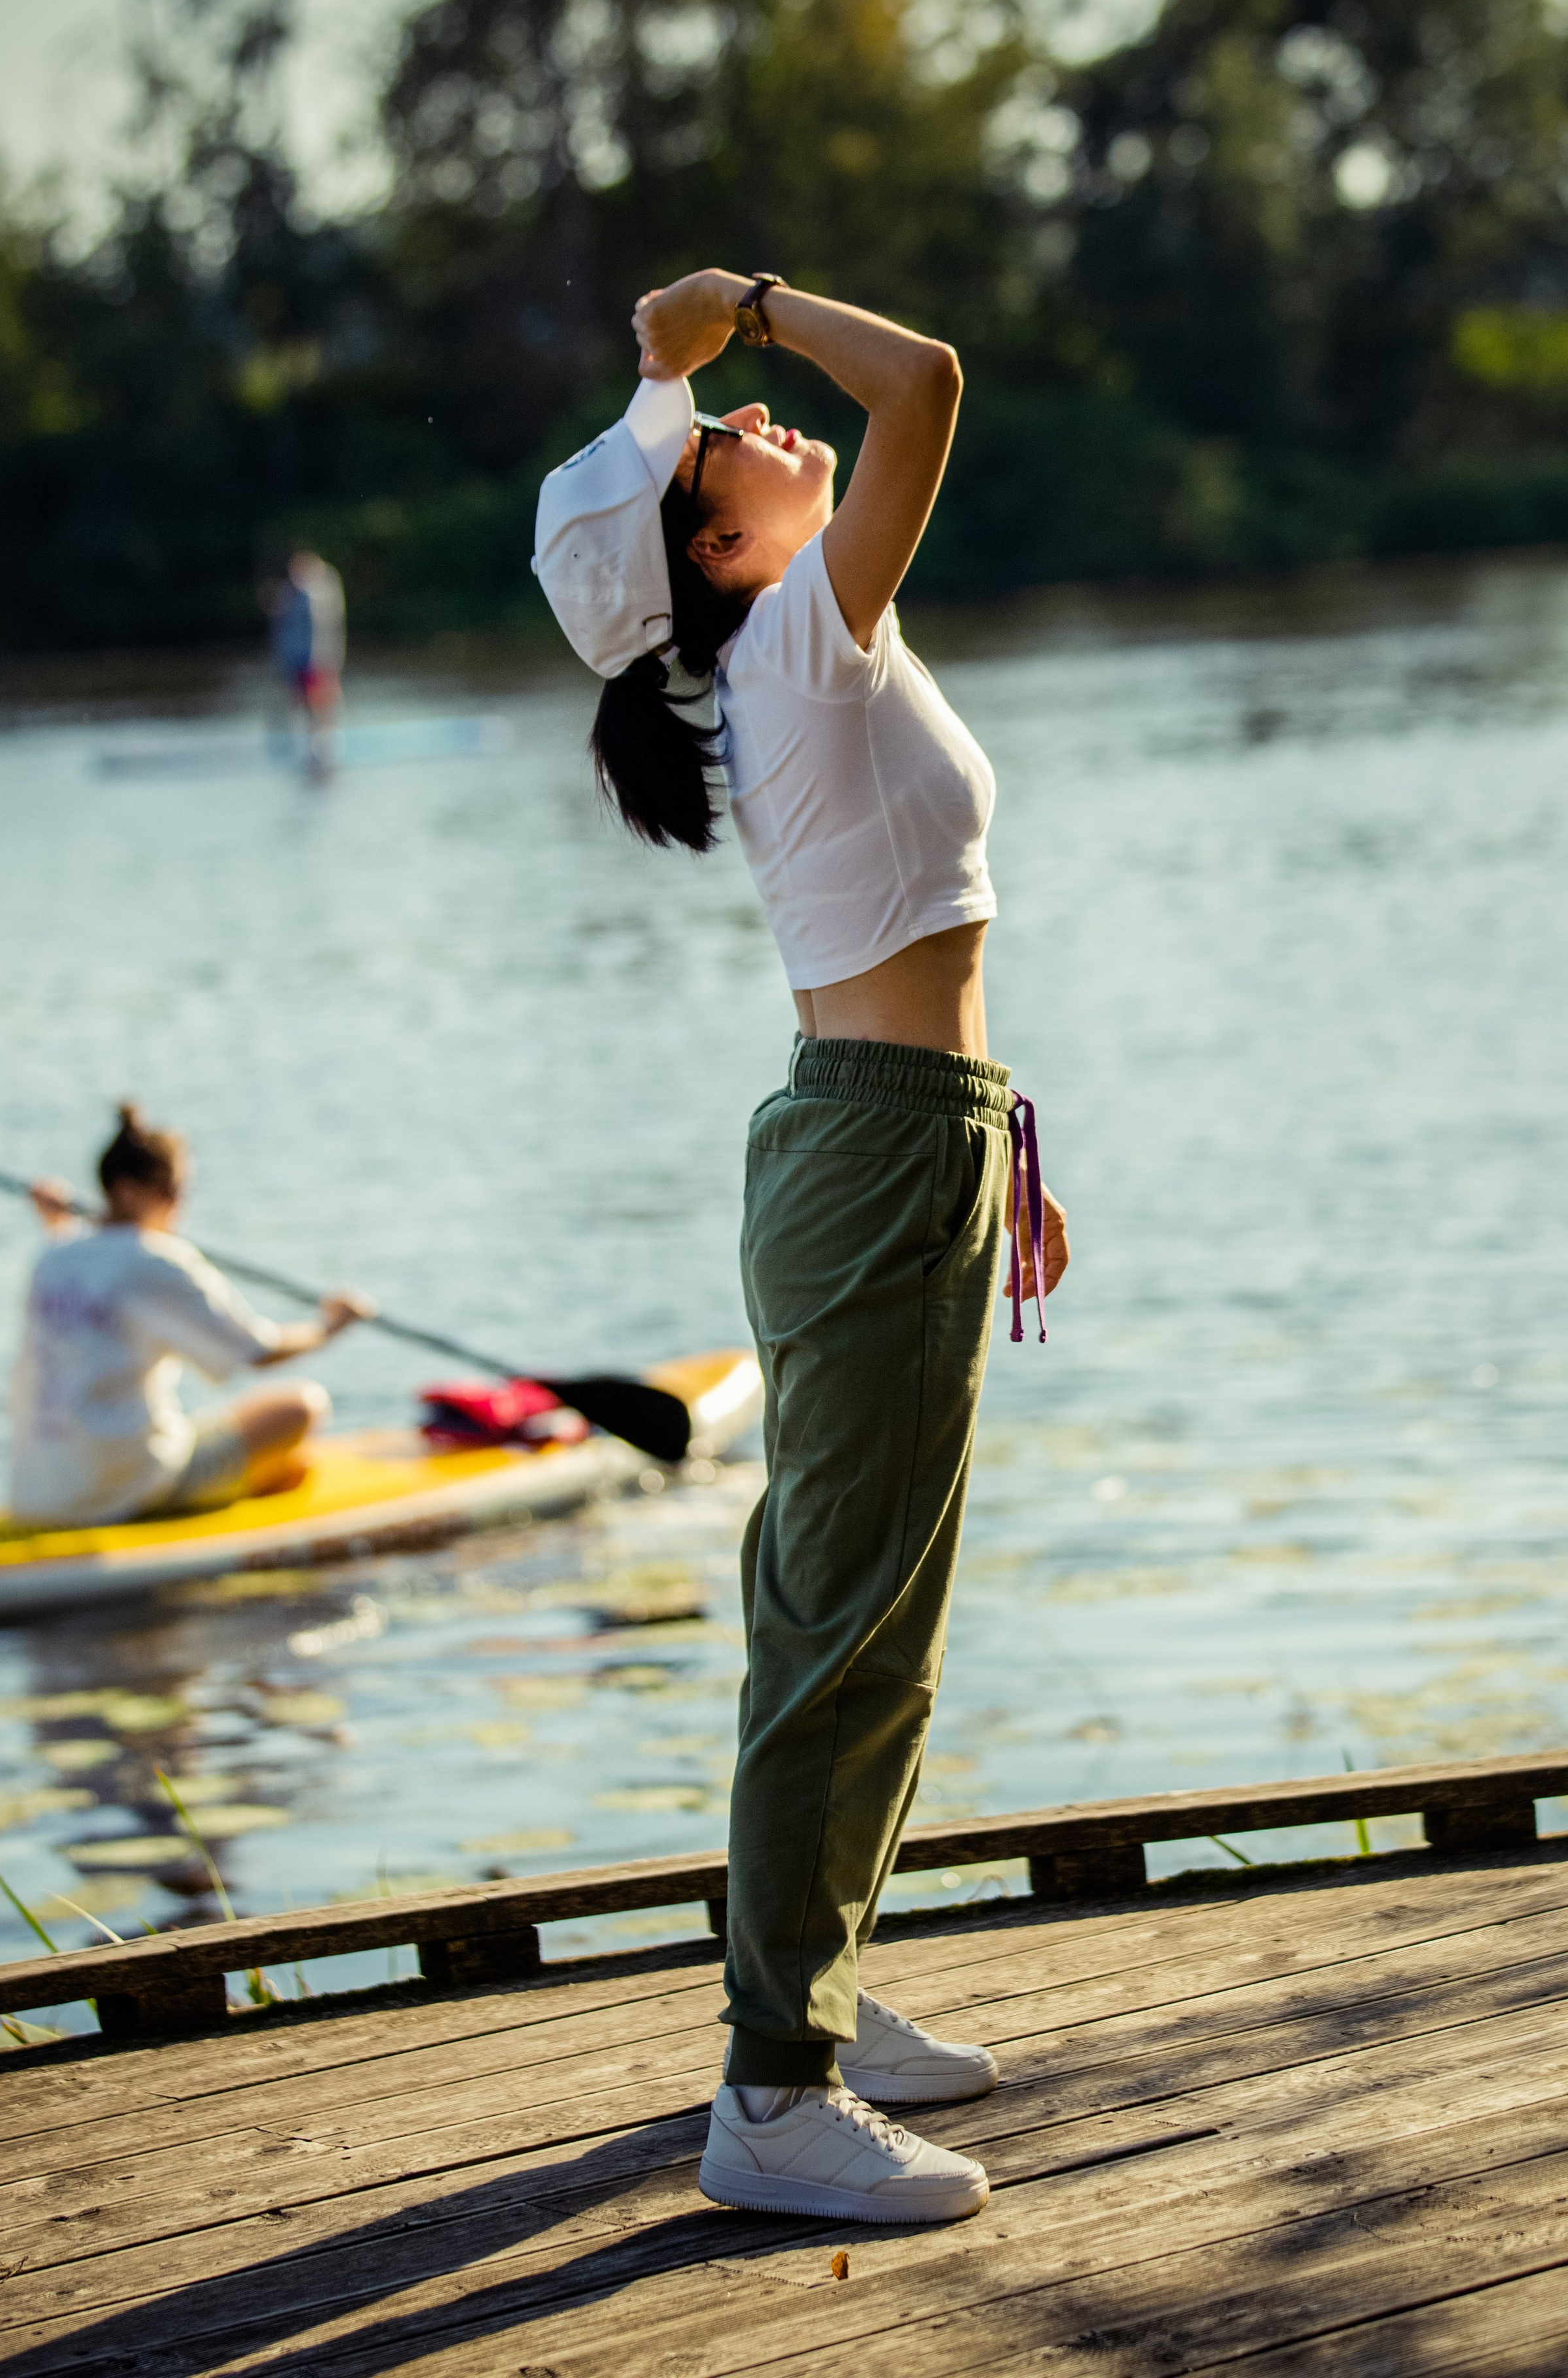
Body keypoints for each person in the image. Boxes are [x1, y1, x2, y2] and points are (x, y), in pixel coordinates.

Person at [533, 270, 1071, 2225]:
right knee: (839, 1616)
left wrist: (682, 384)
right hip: (866, 1155)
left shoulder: (814, 632)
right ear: (717, 544)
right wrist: (734, 317)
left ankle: (815, 1985)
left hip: (904, 1138)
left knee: (874, 1617)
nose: (766, 425)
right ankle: (772, 2090)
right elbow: (927, 372)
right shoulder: (791, 637)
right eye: (724, 451)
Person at [9, 1104, 372, 1529]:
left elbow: (90, 1264)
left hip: (34, 1494)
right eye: (173, 1191)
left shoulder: (53, 1256)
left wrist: (56, 1223)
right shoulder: (158, 1260)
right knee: (303, 1407)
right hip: (123, 1490)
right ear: (127, 1191)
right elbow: (258, 1352)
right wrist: (328, 1327)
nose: (179, 1205)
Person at [265, 548, 346, 774]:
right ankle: (311, 747)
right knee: (303, 706)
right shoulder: (288, 594)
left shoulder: (320, 592)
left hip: (318, 660)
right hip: (296, 661)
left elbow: (324, 626)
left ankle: (325, 747)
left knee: (322, 705)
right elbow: (281, 632)